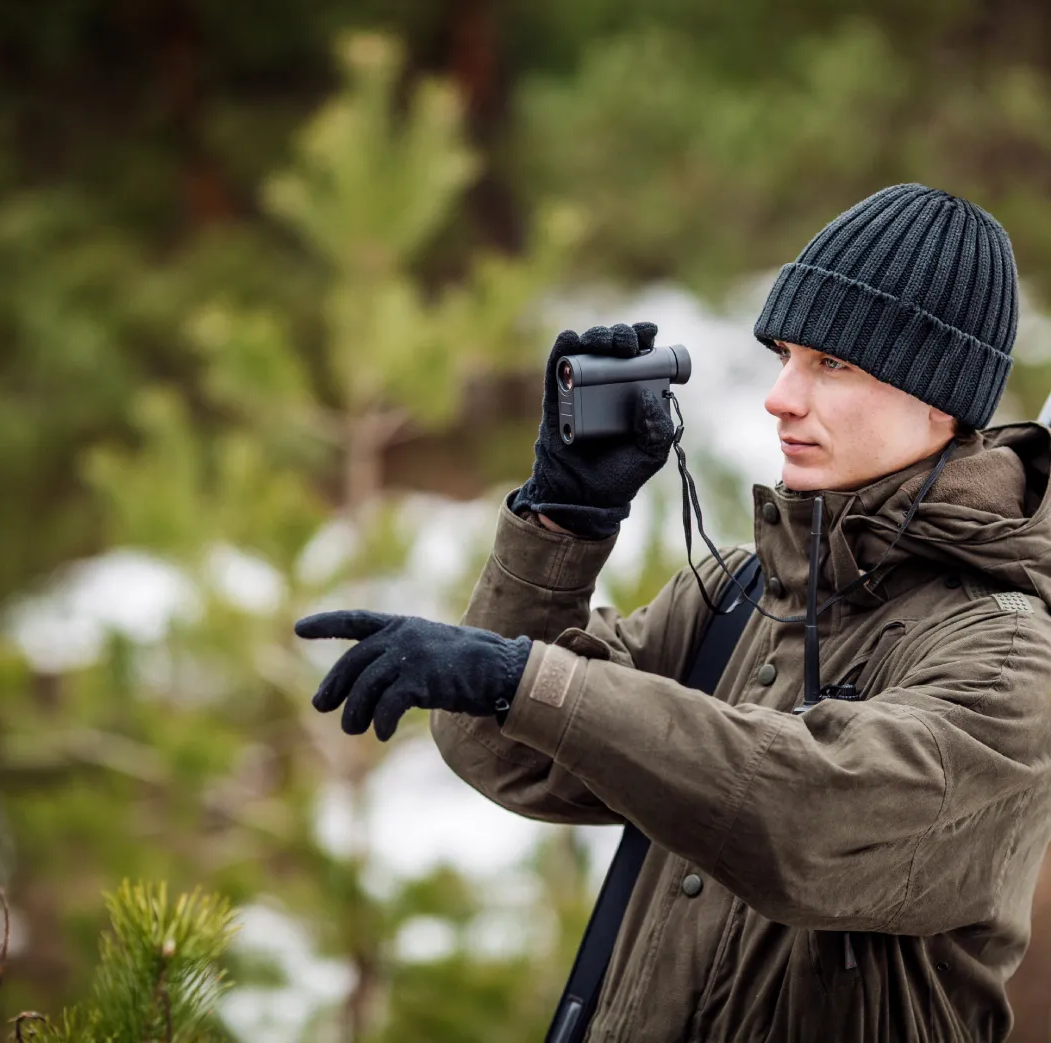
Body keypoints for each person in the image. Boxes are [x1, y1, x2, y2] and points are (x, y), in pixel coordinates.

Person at [294, 183, 1051, 1041]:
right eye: (784, 357)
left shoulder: (1009, 652)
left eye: (831, 364)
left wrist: (520, 675)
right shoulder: (735, 595)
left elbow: (804, 820)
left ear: (940, 398)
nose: (781, 397)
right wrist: (560, 523)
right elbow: (504, 749)